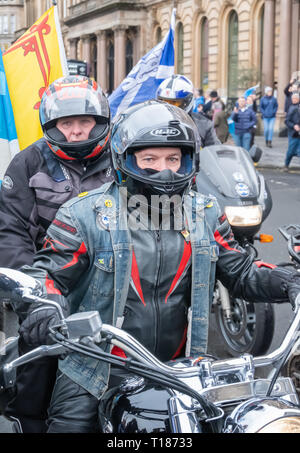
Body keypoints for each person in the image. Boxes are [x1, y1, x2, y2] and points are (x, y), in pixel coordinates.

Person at [9, 100, 300, 433]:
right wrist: (44, 308)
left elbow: (240, 271)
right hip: (97, 370)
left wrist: (287, 280)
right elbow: (46, 275)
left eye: (173, 159)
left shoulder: (204, 212)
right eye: (150, 159)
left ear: (189, 160)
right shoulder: (84, 215)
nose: (165, 170)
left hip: (179, 369)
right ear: (125, 159)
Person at [2, 75, 113, 433]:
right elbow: (10, 231)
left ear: (100, 122)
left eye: (85, 121)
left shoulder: (124, 157)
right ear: (52, 124)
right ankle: (27, 420)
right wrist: (34, 297)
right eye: (67, 123)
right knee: (38, 366)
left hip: (115, 282)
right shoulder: (27, 162)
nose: (77, 131)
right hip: (51, 285)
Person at [156, 74, 220, 147]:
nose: (169, 107)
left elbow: (215, 149)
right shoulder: (152, 123)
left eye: (175, 103)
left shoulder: (204, 124)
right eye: (164, 102)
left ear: (188, 101)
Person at [283, 92, 300, 171]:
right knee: (291, 150)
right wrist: (294, 126)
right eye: (293, 98)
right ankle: (286, 165)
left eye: (295, 98)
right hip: (293, 133)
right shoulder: (291, 108)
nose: (294, 100)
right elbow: (286, 121)